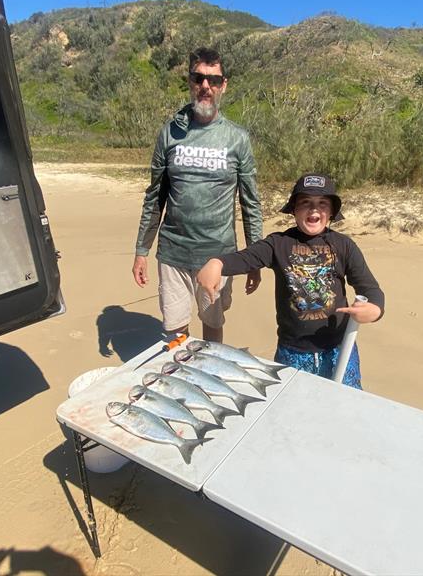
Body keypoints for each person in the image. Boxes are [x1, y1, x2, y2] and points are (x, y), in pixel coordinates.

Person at [197, 174, 384, 389]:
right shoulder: (278, 244)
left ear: (331, 212)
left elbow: (370, 288)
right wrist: (217, 263)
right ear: (294, 209)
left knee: (345, 405)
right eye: (306, 203)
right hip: (293, 350)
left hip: (339, 349)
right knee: (293, 407)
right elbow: (246, 258)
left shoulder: (344, 246)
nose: (314, 210)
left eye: (322, 204)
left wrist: (375, 309)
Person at [132, 47, 263, 343]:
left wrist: (254, 258)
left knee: (212, 329)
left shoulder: (237, 137)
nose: (206, 86)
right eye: (198, 78)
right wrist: (142, 250)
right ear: (190, 82)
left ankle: (207, 384)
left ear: (223, 85)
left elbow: (250, 203)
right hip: (173, 253)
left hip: (218, 256)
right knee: (175, 334)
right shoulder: (170, 133)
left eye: (213, 80)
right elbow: (154, 197)